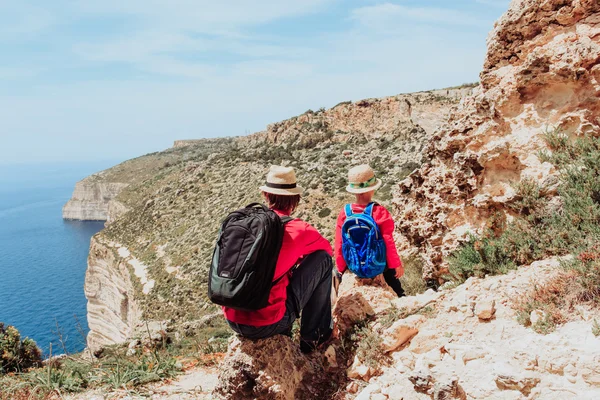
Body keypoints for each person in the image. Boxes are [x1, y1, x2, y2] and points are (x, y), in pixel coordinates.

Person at [223, 165, 334, 353]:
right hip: (267, 324)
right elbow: (326, 251)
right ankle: (314, 339)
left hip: (233, 320)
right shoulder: (299, 229)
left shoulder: (245, 224)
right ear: (295, 200)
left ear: (266, 196)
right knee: (323, 260)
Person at [334, 164, 405, 297]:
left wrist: (341, 268)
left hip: (354, 266)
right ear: (372, 189)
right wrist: (396, 264)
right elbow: (388, 241)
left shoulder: (345, 213)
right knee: (397, 290)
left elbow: (339, 243)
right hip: (380, 264)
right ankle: (400, 298)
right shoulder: (379, 211)